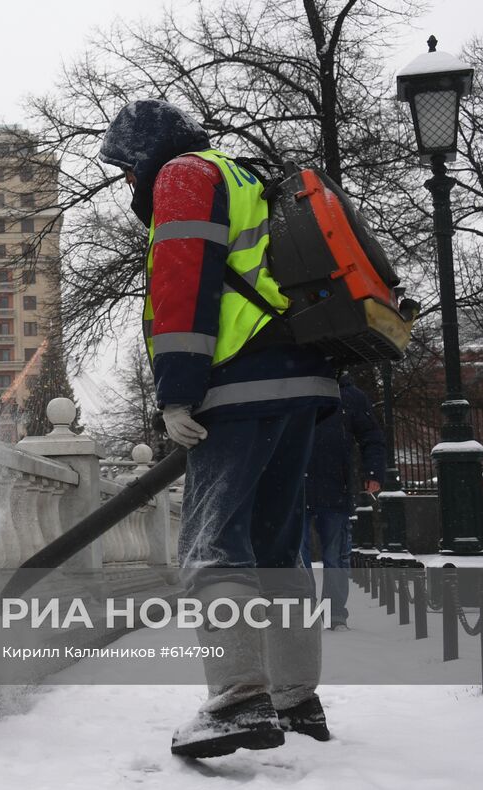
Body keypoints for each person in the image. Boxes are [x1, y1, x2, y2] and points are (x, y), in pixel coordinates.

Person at [100, 100, 339, 759]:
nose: (126, 183)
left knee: (211, 548)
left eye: (125, 167)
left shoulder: (182, 176)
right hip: (301, 379)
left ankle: (237, 703)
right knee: (278, 548)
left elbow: (185, 280)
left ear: (149, 152)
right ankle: (299, 702)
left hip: (240, 381)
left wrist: (178, 392)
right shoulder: (243, 176)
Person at [301, 373, 386, 630]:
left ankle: (332, 614)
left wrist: (374, 472)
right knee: (314, 556)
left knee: (330, 556)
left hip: (325, 487)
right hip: (309, 487)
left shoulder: (349, 395)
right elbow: (372, 436)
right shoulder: (347, 394)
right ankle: (310, 613)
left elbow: (372, 436)